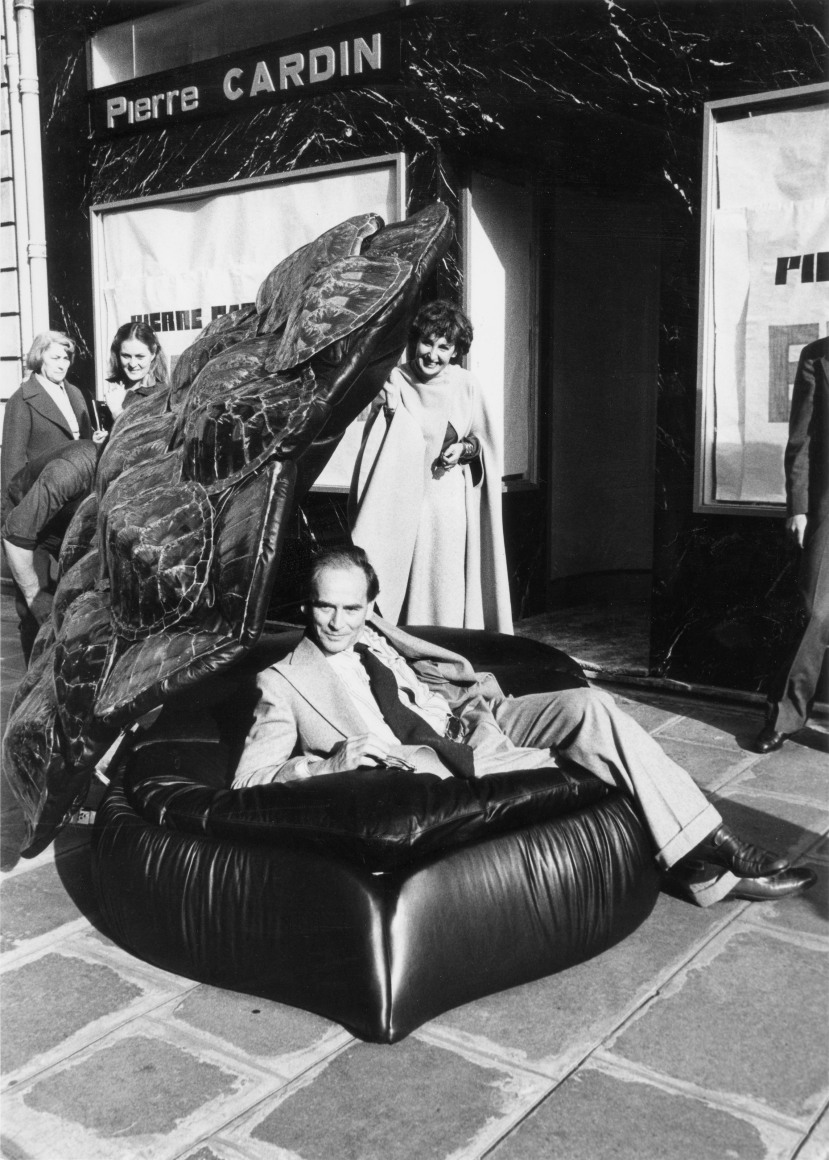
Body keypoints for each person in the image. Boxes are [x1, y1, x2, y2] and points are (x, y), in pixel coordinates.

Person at [235, 546, 816, 905]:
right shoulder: (283, 681)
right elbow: (248, 781)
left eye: (353, 608)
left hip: (477, 717)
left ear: (371, 607)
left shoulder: (376, 634)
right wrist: (329, 761)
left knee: (590, 705)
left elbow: (441, 672)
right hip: (443, 759)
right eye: (325, 607)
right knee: (601, 754)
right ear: (306, 605)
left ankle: (704, 850)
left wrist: (477, 694)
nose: (339, 622)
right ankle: (713, 856)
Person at [349, 299, 512, 632]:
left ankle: (449, 645)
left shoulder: (466, 384)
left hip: (449, 502)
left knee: (445, 582)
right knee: (405, 579)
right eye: (427, 342)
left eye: (444, 346)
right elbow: (375, 449)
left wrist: (464, 448)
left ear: (455, 351)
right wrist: (392, 414)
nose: (433, 354)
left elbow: (484, 443)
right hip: (403, 502)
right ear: (414, 341)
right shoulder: (394, 380)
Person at [755, 337, 829, 753]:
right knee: (813, 611)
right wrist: (798, 507)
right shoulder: (817, 356)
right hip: (827, 506)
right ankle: (785, 714)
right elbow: (801, 438)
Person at [1, 331, 93, 657]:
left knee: (76, 605)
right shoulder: (21, 400)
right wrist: (11, 524)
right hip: (36, 516)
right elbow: (12, 473)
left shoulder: (77, 394)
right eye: (55, 357)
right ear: (39, 357)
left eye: (67, 357)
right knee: (33, 609)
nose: (63, 364)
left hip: (70, 512)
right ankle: (31, 681)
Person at [98, 320, 169, 429]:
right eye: (126, 356)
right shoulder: (118, 388)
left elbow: (141, 439)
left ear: (153, 354)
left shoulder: (160, 395)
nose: (133, 364)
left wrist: (117, 411)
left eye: (140, 356)